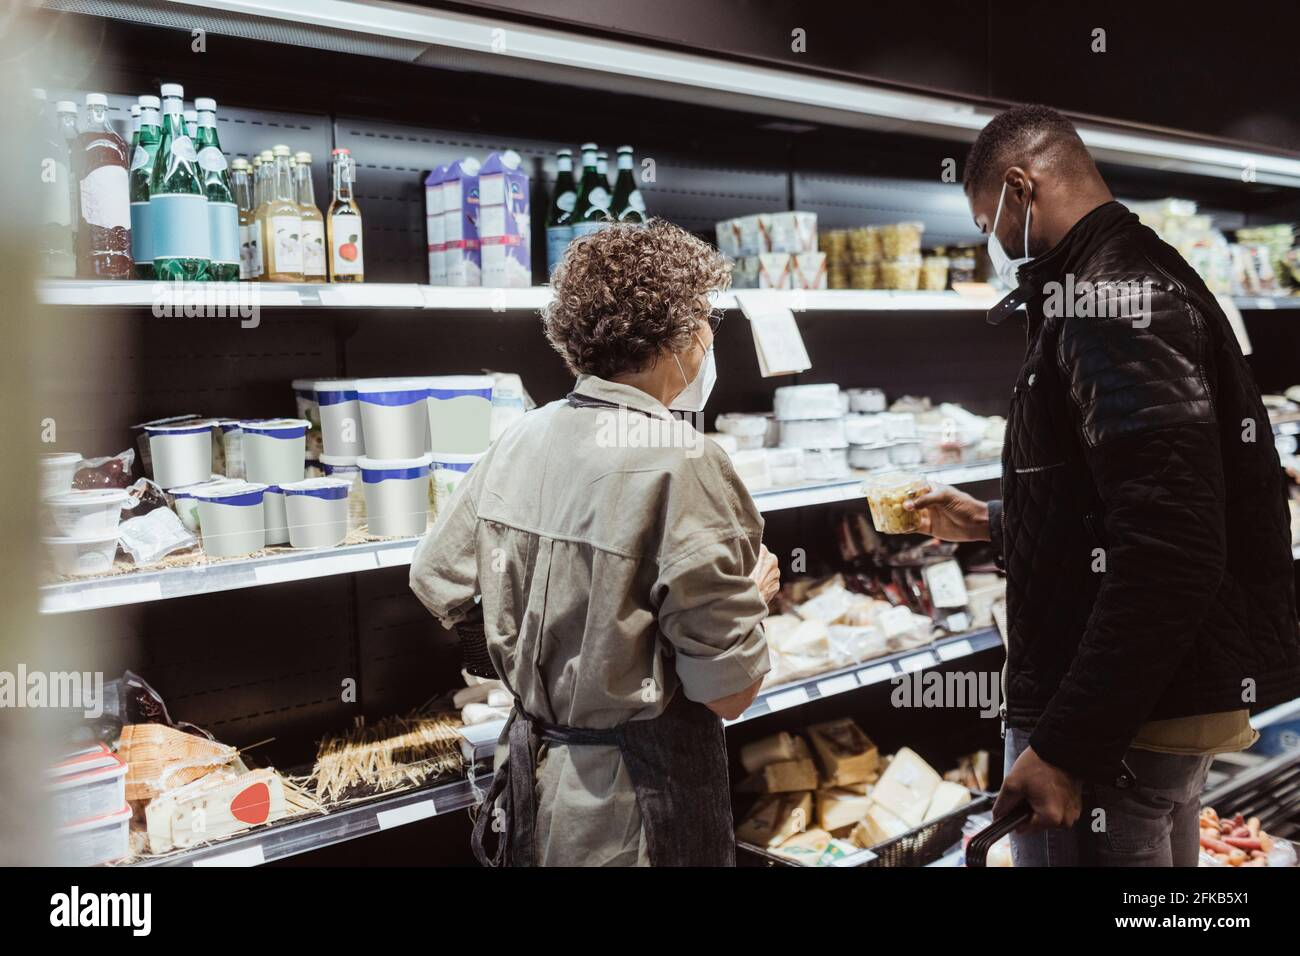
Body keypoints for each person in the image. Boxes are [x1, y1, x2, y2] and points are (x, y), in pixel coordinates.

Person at [909, 104, 1300, 866]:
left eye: (990, 222)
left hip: (1119, 726)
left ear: (1023, 188)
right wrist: (997, 521)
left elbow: (1171, 549)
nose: (993, 244)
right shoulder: (1121, 275)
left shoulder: (1111, 301)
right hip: (1148, 711)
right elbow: (1129, 502)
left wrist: (1065, 744)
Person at [409, 219, 780, 867]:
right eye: (707, 321)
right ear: (683, 336)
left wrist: (538, 650)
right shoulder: (681, 460)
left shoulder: (522, 436)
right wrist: (752, 595)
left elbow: (434, 576)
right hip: (637, 810)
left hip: (535, 781)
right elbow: (729, 693)